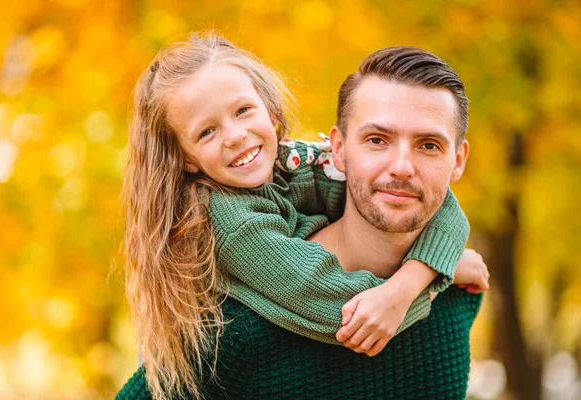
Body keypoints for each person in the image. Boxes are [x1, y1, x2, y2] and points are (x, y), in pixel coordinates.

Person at [120, 34, 488, 400]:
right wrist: (432, 279)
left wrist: (423, 271)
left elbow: (446, 207)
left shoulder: (290, 162)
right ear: (341, 149)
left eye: (429, 145)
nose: (402, 168)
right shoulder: (235, 312)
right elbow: (345, 315)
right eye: (377, 139)